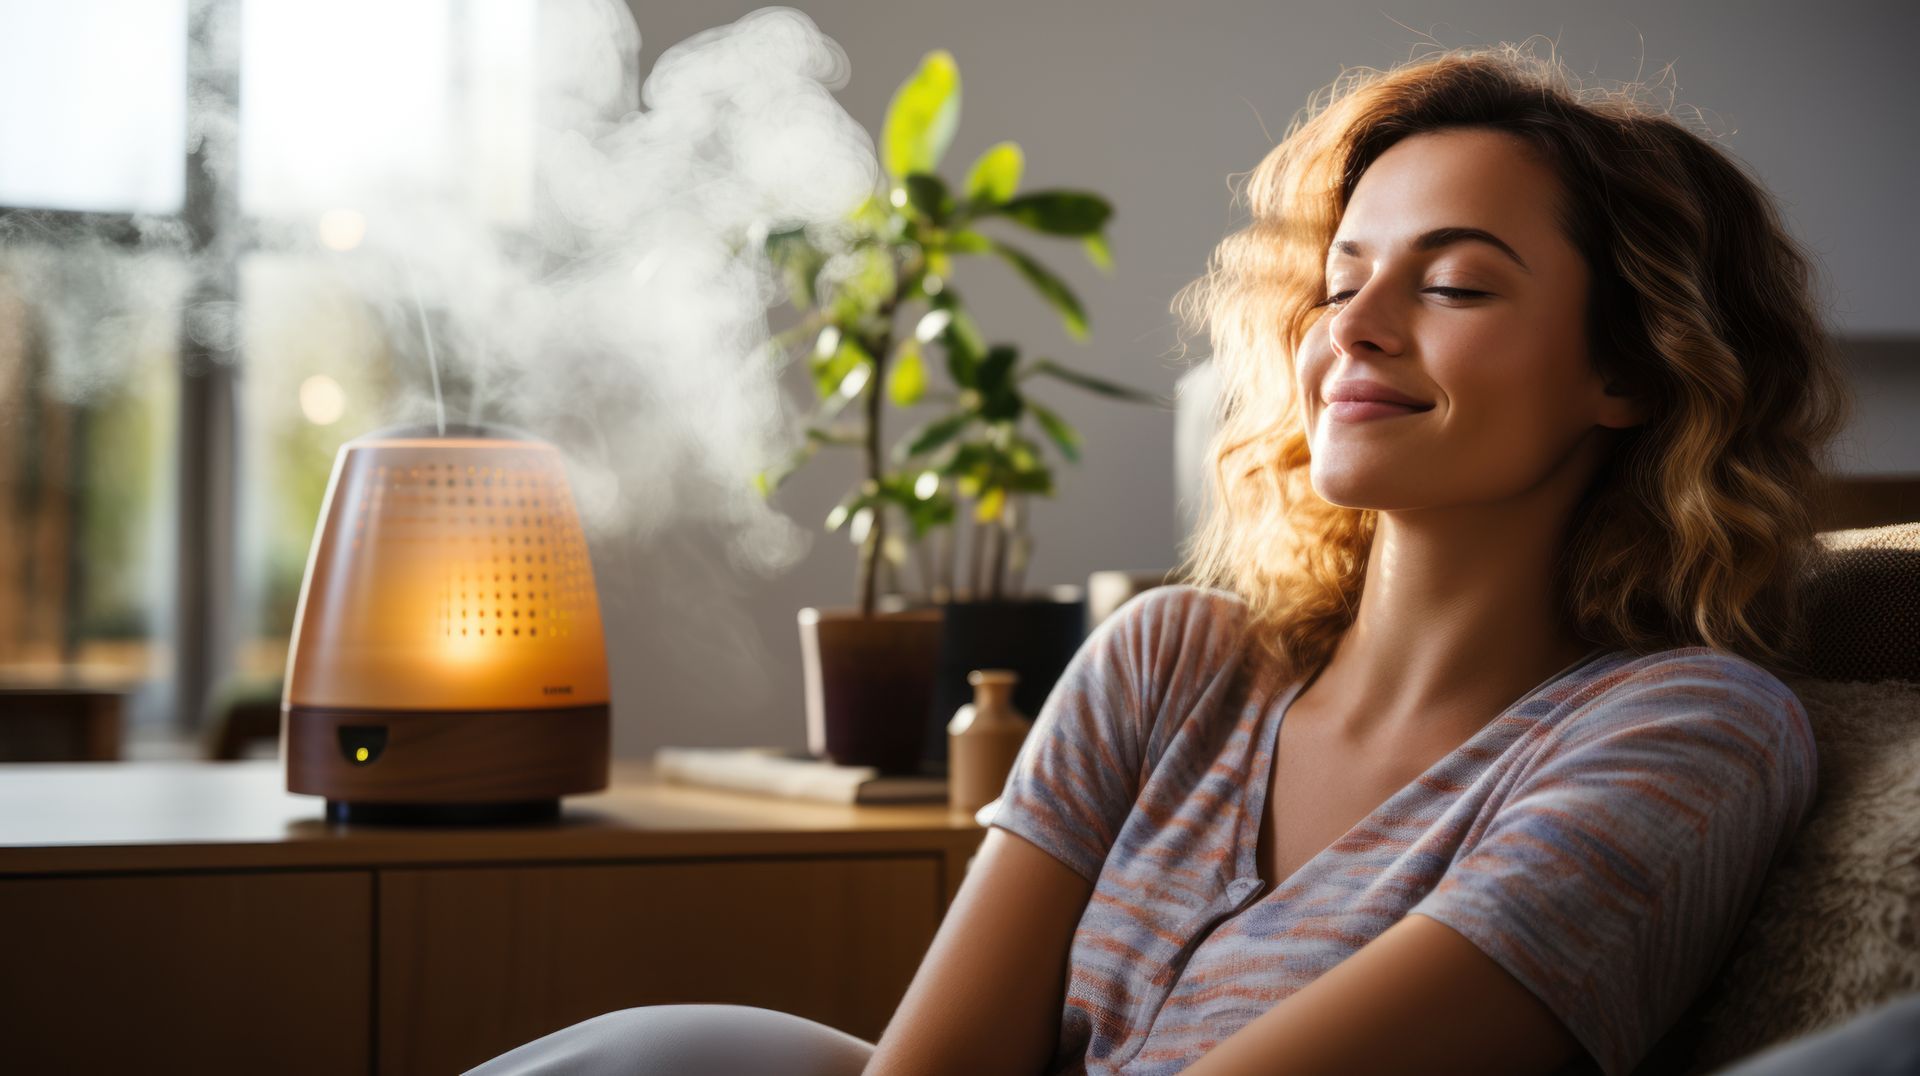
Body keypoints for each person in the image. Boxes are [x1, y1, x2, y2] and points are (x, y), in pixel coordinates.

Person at [465, 40, 1853, 1076]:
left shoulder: (1686, 733)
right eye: (1341, 276)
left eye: (1454, 283)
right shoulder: (1172, 659)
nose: (1353, 329)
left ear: (1632, 368)